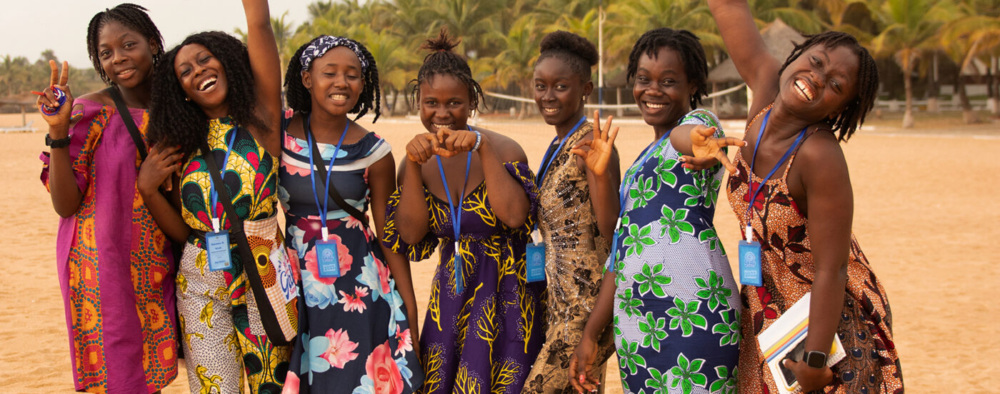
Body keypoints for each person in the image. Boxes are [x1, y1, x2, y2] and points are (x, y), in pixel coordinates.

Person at [707, 0, 904, 392]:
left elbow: (834, 270)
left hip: (825, 325)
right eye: (816, 62)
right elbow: (727, 7)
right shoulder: (764, 96)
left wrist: (815, 359)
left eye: (835, 85)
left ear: (841, 108)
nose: (817, 78)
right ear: (797, 54)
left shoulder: (819, 156)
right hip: (766, 304)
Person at [568, 28, 745, 394]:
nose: (652, 90)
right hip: (637, 322)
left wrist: (695, 139)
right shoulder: (640, 163)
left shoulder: (700, 125)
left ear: (692, 83)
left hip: (694, 311)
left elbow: (692, 136)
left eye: (668, 81)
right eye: (643, 79)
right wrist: (590, 333)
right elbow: (618, 248)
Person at [381, 30, 545, 393]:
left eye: (454, 102)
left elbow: (515, 217)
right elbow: (409, 235)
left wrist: (483, 149)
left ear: (472, 101)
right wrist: (410, 165)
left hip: (510, 299)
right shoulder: (416, 162)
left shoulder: (506, 149)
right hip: (451, 301)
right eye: (430, 103)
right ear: (418, 103)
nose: (442, 113)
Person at [141, 1, 290, 392]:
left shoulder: (262, 118)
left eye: (205, 59)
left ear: (226, 61)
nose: (197, 72)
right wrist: (147, 189)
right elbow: (180, 231)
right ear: (182, 92)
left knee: (271, 385)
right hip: (201, 279)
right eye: (185, 72)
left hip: (265, 272)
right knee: (214, 388)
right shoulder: (180, 144)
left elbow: (259, 27)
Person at [36, 4, 179, 392]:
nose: (118, 58)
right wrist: (60, 130)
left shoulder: (174, 111)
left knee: (151, 370)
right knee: (117, 374)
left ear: (152, 44)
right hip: (100, 266)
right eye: (106, 53)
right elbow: (65, 205)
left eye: (128, 45)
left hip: (154, 261)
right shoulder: (91, 110)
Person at [277, 35, 423, 393]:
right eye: (330, 73)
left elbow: (389, 237)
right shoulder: (278, 134)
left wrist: (410, 319)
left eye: (353, 74)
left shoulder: (374, 151)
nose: (342, 82)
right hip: (294, 286)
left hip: (359, 291)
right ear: (307, 79)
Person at [523, 30, 619, 394]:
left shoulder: (591, 143)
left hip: (584, 305)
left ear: (586, 90)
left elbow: (612, 227)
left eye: (560, 86)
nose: (547, 96)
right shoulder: (559, 140)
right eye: (540, 85)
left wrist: (598, 174)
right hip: (561, 302)